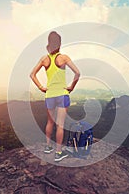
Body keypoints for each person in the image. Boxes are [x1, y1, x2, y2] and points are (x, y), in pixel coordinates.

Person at [30, 31, 80, 162]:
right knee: (60, 125)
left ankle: (47, 147)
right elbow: (77, 73)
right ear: (60, 44)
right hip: (62, 95)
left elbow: (32, 75)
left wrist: (41, 87)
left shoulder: (44, 59)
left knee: (50, 121)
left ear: (49, 44)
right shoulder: (63, 57)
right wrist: (71, 87)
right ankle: (58, 153)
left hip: (50, 95)